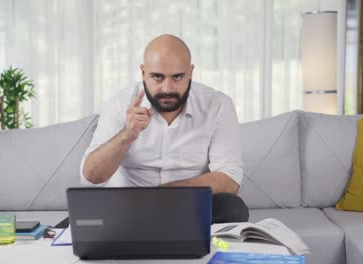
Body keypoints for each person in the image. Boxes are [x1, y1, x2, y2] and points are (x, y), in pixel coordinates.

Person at [80, 34, 248, 223]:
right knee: (79, 219)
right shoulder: (120, 104)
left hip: (187, 206)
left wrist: (167, 193)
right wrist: (126, 135)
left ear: (190, 72)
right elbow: (90, 178)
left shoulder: (218, 105)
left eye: (177, 77)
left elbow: (230, 178)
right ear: (143, 73)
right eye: (157, 77)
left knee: (232, 207)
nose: (167, 88)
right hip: (127, 207)